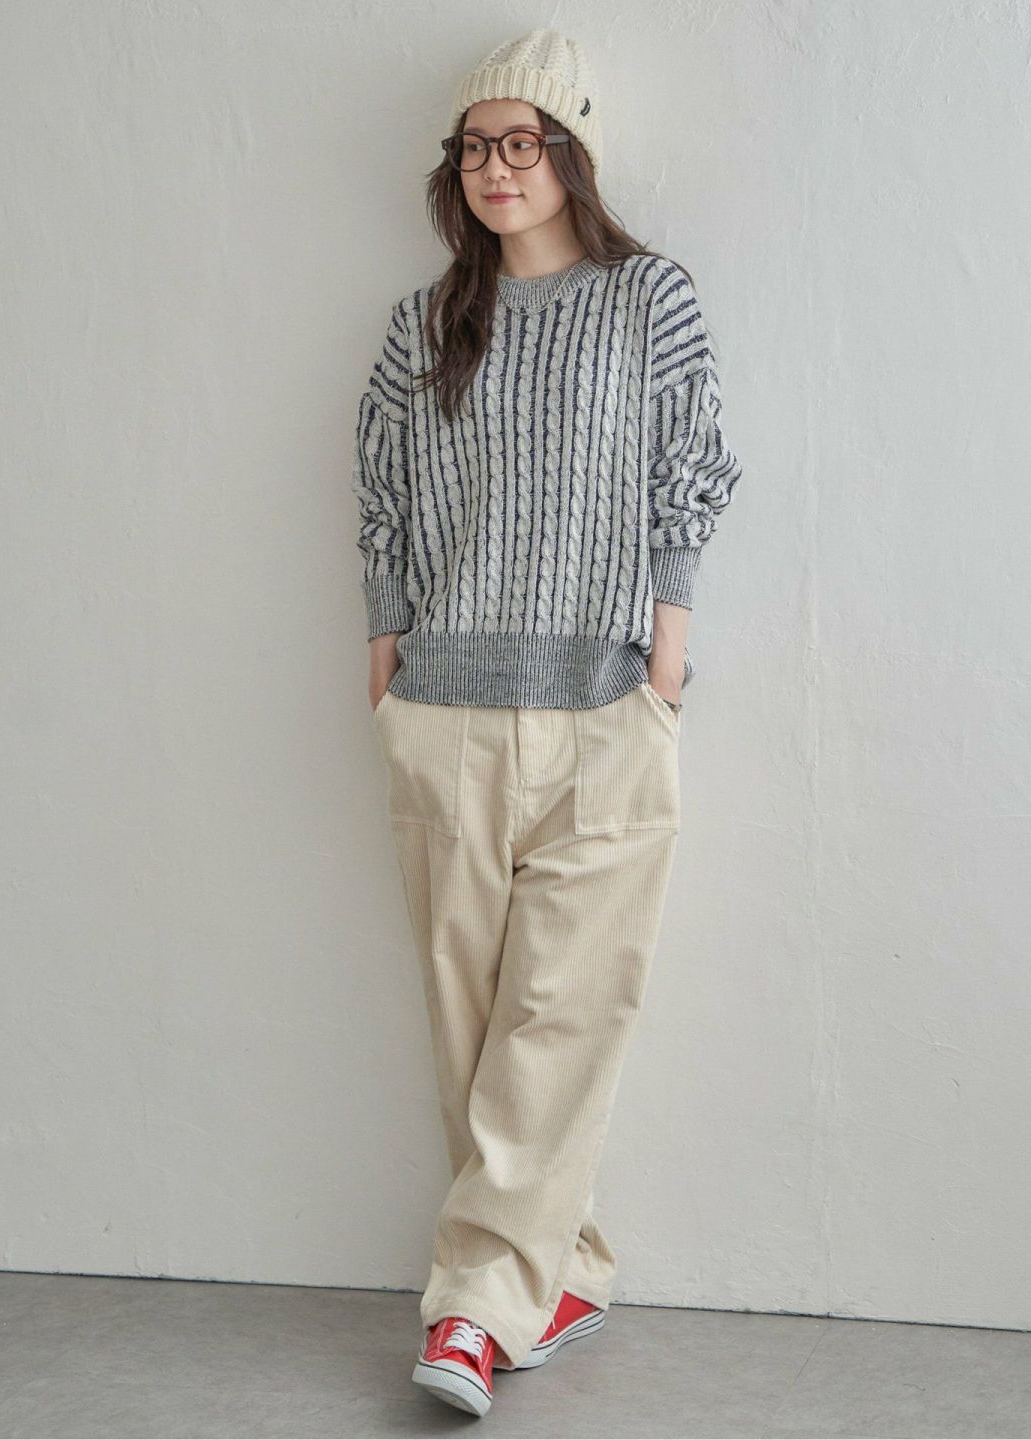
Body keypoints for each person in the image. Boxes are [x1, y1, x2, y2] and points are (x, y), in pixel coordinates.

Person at [349, 26, 745, 1418]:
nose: (497, 168)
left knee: (566, 1015)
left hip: (605, 705)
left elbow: (693, 463)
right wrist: (387, 649)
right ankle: (560, 1271)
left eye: (523, 142)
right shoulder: (422, 325)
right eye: (475, 146)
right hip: (446, 707)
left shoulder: (649, 299)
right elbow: (383, 491)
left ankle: (468, 1312)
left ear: (572, 156)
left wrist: (668, 648)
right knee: (473, 1034)